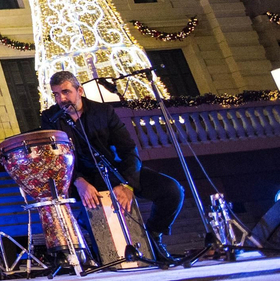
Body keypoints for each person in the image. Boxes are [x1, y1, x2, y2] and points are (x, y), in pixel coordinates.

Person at [41, 70, 183, 266]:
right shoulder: (50, 118)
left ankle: (153, 236)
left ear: (79, 91)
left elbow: (128, 149)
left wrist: (127, 184)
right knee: (94, 217)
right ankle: (95, 243)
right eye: (56, 94)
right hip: (83, 178)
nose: (61, 99)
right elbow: (56, 159)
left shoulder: (103, 111)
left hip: (116, 171)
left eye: (66, 92)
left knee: (172, 190)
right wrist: (79, 181)